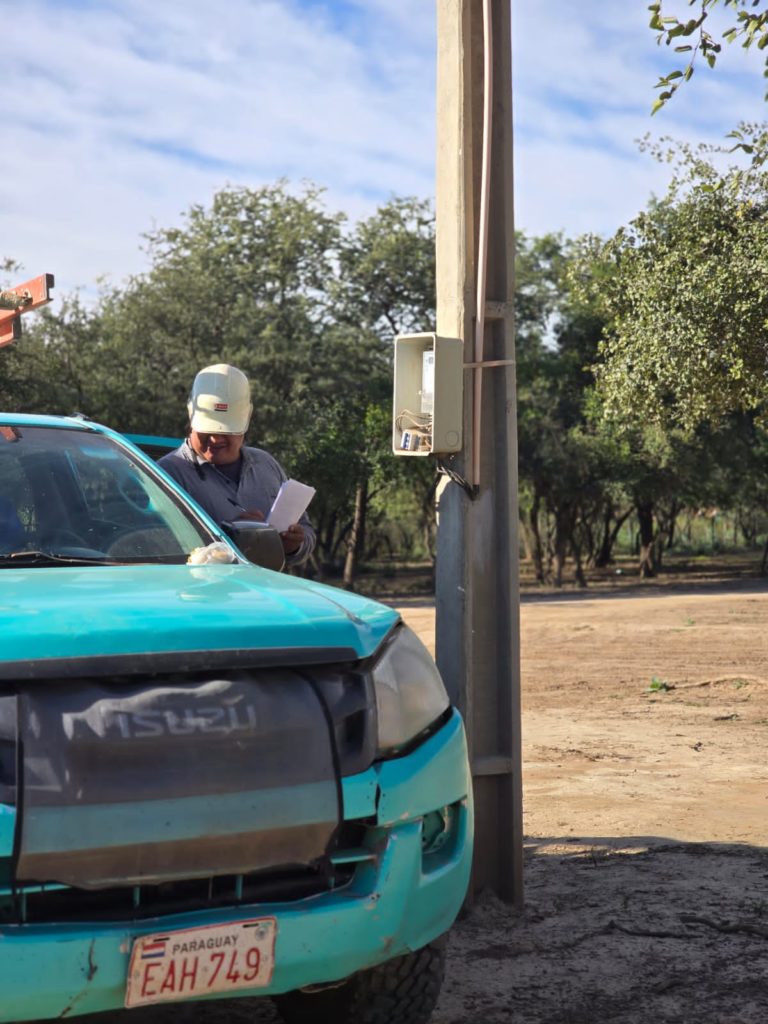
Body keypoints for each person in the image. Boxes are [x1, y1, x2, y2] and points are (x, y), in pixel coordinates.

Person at [158, 364, 315, 568]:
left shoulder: (265, 465)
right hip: (204, 596)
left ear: (246, 421)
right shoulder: (167, 475)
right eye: (207, 429)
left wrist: (293, 545)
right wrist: (238, 538)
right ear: (191, 417)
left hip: (264, 595)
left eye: (227, 431)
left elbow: (306, 532)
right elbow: (160, 550)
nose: (215, 439)